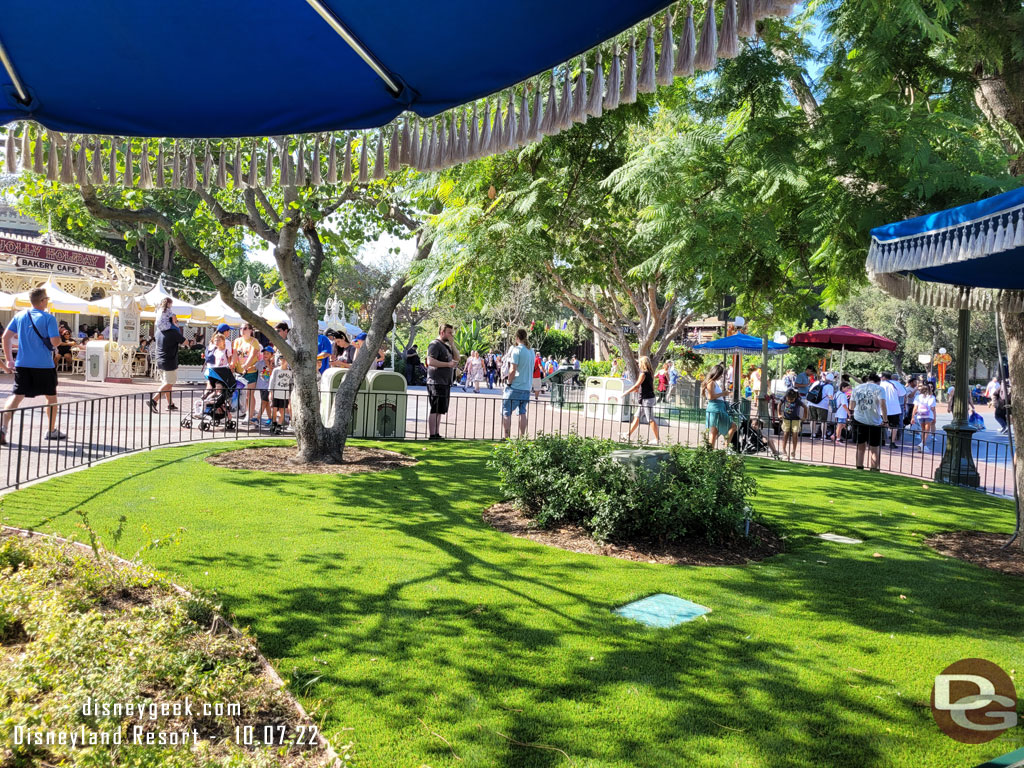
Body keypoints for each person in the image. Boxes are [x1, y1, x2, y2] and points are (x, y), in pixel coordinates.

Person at [0, 287, 66, 443]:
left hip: (23, 363)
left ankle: (3, 427)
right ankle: (50, 430)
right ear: (43, 301)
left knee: (16, 395)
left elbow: (5, 337)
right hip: (44, 364)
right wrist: (60, 340)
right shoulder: (49, 318)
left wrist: (9, 359)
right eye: (47, 299)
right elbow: (55, 342)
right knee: (51, 397)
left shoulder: (20, 315)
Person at [149, 297, 185, 413]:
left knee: (167, 383)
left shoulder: (159, 331)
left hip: (160, 360)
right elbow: (185, 343)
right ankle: (154, 400)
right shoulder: (173, 332)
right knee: (170, 382)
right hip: (169, 361)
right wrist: (177, 326)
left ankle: (170, 404)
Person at [426, 323, 459, 440]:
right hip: (435, 381)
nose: (451, 335)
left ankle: (437, 433)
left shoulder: (446, 346)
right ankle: (432, 434)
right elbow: (430, 361)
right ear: (442, 332)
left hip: (445, 382)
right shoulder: (434, 344)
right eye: (449, 333)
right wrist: (447, 364)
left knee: (440, 409)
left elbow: (457, 358)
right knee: (435, 408)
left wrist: (452, 345)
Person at [501, 328, 535, 439]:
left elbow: (512, 370)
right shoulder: (531, 351)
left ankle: (507, 437)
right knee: (522, 412)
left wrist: (508, 383)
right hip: (526, 387)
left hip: (515, 386)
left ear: (516, 338)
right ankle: (522, 437)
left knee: (506, 411)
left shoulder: (517, 350)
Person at [850, 373, 887, 471]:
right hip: (874, 420)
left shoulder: (857, 388)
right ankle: (874, 468)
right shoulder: (879, 389)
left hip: (859, 418)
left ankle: (859, 466)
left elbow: (851, 405)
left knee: (860, 446)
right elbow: (883, 404)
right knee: (874, 448)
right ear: (877, 381)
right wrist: (885, 420)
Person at [621, 356, 661, 445]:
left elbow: (636, 385)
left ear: (642, 364)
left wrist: (625, 393)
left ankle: (657, 440)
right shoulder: (650, 373)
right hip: (645, 398)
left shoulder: (643, 373)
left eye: (639, 363)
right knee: (637, 416)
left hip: (647, 399)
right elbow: (649, 386)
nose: (638, 364)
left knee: (650, 419)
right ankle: (628, 434)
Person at [702, 363, 736, 450]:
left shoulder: (714, 383)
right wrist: (722, 393)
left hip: (719, 408)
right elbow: (710, 397)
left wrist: (723, 394)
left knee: (715, 431)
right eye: (721, 374)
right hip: (715, 408)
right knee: (729, 427)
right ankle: (724, 447)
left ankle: (713, 449)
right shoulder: (711, 383)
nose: (721, 376)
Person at [233, 323, 261, 420]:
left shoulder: (254, 341)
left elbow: (252, 354)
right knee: (240, 394)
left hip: (250, 371)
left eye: (244, 328)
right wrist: (232, 364)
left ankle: (250, 414)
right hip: (239, 372)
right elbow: (235, 354)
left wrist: (246, 365)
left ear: (250, 330)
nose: (242, 330)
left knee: (249, 394)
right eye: (240, 328)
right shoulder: (237, 341)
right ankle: (242, 411)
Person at [879, 372, 906, 447]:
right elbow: (902, 393)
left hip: (882, 408)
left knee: (882, 424)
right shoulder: (896, 384)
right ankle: (892, 442)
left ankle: (882, 440)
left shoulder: (880, 384)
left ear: (884, 377)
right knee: (894, 426)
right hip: (894, 408)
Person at [267, 355, 293, 435]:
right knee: (274, 409)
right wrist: (270, 392)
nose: (284, 361)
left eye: (285, 359)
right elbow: (272, 381)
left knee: (282, 410)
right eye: (282, 359)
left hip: (284, 393)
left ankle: (279, 425)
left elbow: (291, 383)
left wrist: (290, 394)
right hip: (276, 392)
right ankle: (274, 422)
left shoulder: (290, 371)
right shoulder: (276, 370)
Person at [806, 372, 834, 439]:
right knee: (823, 421)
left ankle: (812, 435)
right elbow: (831, 397)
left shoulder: (816, 382)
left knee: (813, 420)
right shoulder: (830, 386)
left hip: (811, 403)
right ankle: (823, 436)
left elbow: (809, 391)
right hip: (822, 405)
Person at [911, 383, 937, 451]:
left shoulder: (918, 397)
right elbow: (933, 408)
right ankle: (922, 444)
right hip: (928, 415)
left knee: (923, 430)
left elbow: (915, 408)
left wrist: (913, 417)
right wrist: (935, 417)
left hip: (920, 414)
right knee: (927, 430)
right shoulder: (932, 397)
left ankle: (923, 445)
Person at [779, 388, 804, 460]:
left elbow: (805, 407)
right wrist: (779, 414)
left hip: (795, 419)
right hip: (786, 419)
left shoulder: (797, 400)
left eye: (792, 400)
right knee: (785, 434)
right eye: (788, 399)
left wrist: (804, 417)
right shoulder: (784, 398)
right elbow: (779, 404)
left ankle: (793, 451)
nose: (790, 401)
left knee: (795, 434)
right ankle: (784, 451)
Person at [255, 346, 275, 426]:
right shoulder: (260, 362)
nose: (265, 355)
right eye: (264, 353)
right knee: (266, 403)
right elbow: (254, 367)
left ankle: (257, 418)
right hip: (261, 385)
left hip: (268, 386)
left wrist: (269, 365)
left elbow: (272, 373)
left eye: (267, 353)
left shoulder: (273, 364)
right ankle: (270, 418)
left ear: (271, 355)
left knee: (264, 402)